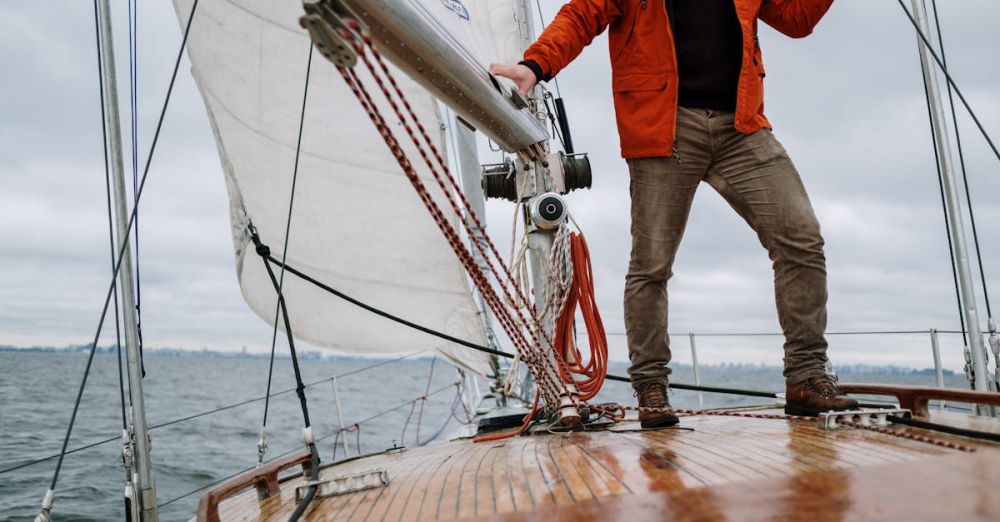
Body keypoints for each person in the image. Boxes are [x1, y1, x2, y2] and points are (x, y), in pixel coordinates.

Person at [490, 0, 858, 428]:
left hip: (742, 125)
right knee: (651, 264)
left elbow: (797, 19)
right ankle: (651, 387)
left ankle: (807, 376)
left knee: (801, 238)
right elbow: (582, 13)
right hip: (664, 124)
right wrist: (535, 66)